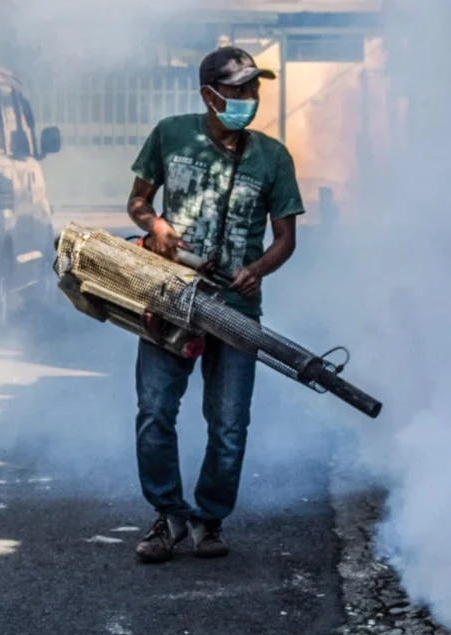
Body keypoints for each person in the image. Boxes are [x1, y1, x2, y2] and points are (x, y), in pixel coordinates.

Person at [124, 46, 304, 563]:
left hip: (235, 311)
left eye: (255, 88)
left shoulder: (273, 157)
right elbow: (138, 202)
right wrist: (154, 225)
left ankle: (209, 518)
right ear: (210, 94)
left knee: (229, 423)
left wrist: (258, 270)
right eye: (241, 88)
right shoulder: (170, 134)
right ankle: (168, 516)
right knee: (155, 411)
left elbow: (286, 238)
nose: (251, 97)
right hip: (170, 297)